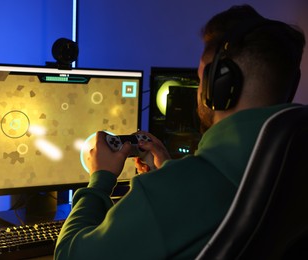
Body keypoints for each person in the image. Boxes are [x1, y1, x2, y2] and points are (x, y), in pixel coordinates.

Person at [54, 4, 305, 260]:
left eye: (200, 81)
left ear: (218, 86)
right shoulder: (292, 169)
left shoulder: (170, 195)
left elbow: (69, 255)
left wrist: (101, 178)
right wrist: (171, 171)